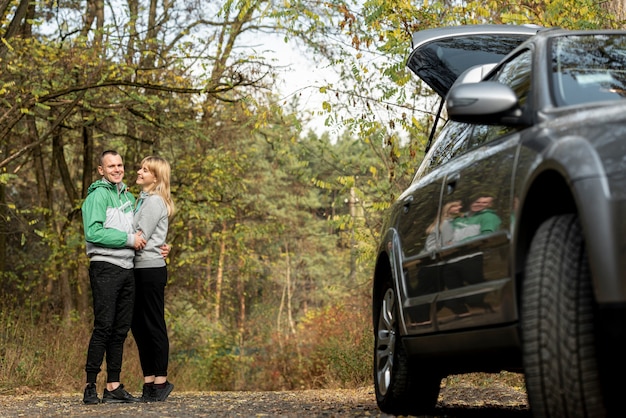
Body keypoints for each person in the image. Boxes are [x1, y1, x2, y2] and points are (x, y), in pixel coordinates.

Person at [81, 150, 146, 404]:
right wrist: (129, 240)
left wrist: (161, 246)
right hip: (105, 268)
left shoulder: (128, 196)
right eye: (111, 166)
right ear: (101, 170)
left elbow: (141, 231)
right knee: (104, 327)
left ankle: (113, 386)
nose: (117, 169)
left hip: (127, 269)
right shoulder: (98, 195)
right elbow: (93, 232)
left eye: (119, 165)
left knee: (120, 330)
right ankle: (89, 387)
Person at [131, 156, 175, 402]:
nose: (139, 171)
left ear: (156, 178)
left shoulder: (154, 201)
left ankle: (160, 382)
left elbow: (139, 236)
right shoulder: (142, 200)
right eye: (141, 168)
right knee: (138, 325)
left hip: (150, 269)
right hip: (139, 268)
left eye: (145, 170)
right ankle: (149, 381)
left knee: (153, 324)